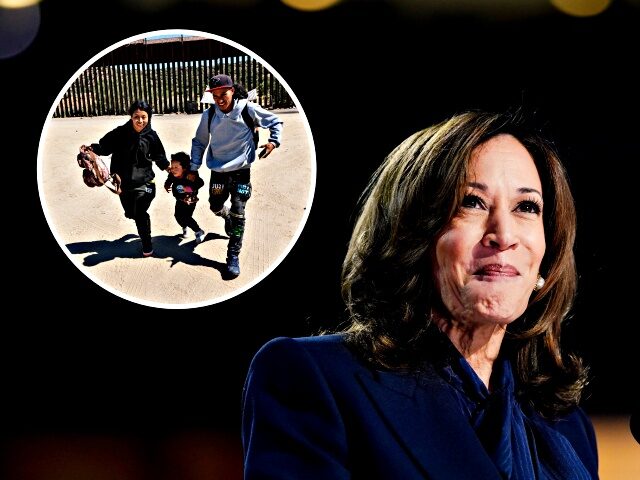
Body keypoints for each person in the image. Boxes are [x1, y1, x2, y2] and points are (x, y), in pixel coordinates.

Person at [242, 110, 598, 479]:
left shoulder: (565, 422)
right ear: (412, 232)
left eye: (526, 207)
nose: (504, 235)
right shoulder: (314, 377)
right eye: (471, 202)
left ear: (548, 251)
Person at [190, 73, 283, 279]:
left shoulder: (248, 109)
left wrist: (273, 142)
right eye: (215, 95)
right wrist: (194, 166)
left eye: (224, 94)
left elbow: (276, 121)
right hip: (218, 174)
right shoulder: (209, 115)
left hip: (242, 173)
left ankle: (233, 256)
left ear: (232, 91)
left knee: (239, 214)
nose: (220, 99)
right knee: (215, 205)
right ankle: (225, 214)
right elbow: (199, 142)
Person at [81, 100, 169, 257]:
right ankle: (136, 217)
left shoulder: (152, 136)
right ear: (131, 116)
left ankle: (147, 244)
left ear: (149, 117)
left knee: (140, 210)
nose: (140, 121)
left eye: (144, 117)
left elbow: (159, 156)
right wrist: (90, 151)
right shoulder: (120, 133)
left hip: (146, 182)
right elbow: (103, 147)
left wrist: (168, 168)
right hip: (122, 183)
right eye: (136, 117)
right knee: (131, 213)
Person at [164, 151, 206, 243]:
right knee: (178, 216)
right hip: (179, 199)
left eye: (176, 167)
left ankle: (198, 231)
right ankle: (184, 226)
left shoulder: (190, 175)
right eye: (172, 167)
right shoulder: (172, 174)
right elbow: (169, 179)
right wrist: (166, 185)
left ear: (184, 168)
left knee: (186, 216)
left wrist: (190, 189)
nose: (173, 169)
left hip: (190, 200)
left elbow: (201, 183)